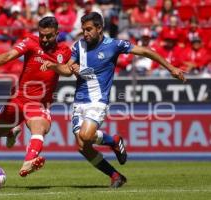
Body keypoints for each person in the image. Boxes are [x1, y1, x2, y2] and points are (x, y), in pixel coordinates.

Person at [41, 12, 186, 188]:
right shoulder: (79, 46)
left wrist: (171, 68)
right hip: (80, 101)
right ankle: (116, 175)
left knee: (86, 136)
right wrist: (59, 66)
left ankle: (112, 141)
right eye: (83, 30)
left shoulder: (113, 45)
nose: (85, 33)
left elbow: (145, 51)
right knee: (82, 147)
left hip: (98, 100)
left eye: (89, 29)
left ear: (99, 28)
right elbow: (66, 70)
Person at [0, 17, 71, 177]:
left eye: (49, 36)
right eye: (42, 35)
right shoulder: (31, 41)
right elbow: (10, 54)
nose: (44, 39)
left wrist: (54, 66)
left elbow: (68, 70)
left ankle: (28, 162)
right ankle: (12, 132)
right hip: (18, 98)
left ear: (57, 34)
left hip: (39, 103)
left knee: (39, 129)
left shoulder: (65, 51)